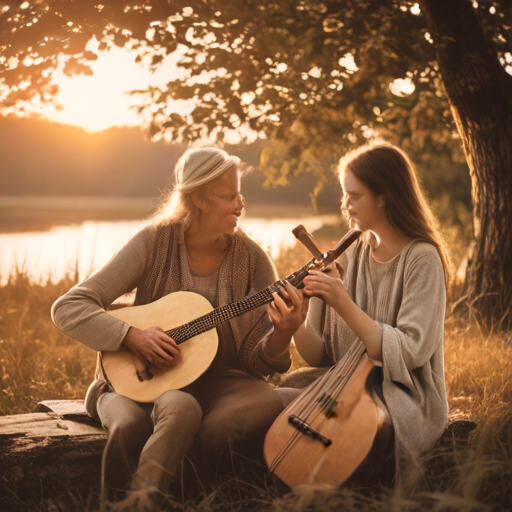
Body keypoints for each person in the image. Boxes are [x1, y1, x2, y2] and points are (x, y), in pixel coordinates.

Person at [51, 147, 304, 506]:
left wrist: (283, 333)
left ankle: (176, 494)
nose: (240, 204)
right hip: (138, 381)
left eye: (240, 193)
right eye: (228, 195)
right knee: (137, 423)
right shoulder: (154, 242)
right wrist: (133, 337)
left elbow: (256, 361)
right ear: (198, 198)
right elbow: (69, 307)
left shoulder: (253, 259)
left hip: (219, 384)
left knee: (263, 399)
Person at [294, 141, 450, 475]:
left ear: (384, 196)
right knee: (269, 403)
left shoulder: (422, 258)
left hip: (402, 398)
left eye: (354, 195)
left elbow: (409, 352)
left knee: (291, 415)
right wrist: (295, 317)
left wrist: (342, 301)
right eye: (344, 195)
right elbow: (317, 355)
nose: (345, 205)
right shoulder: (354, 254)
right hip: (345, 383)